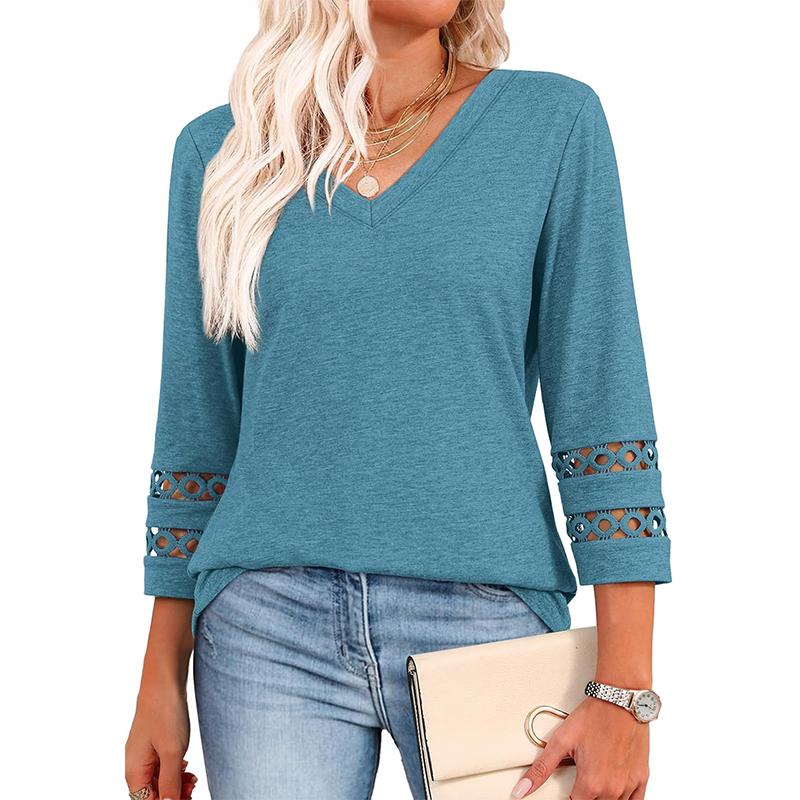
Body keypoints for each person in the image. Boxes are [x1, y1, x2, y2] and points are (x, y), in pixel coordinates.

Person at [125, 1, 671, 798]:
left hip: (489, 622)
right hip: (265, 628)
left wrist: (625, 689)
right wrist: (159, 676)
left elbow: (602, 403)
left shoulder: (551, 125)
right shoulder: (224, 152)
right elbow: (198, 434)